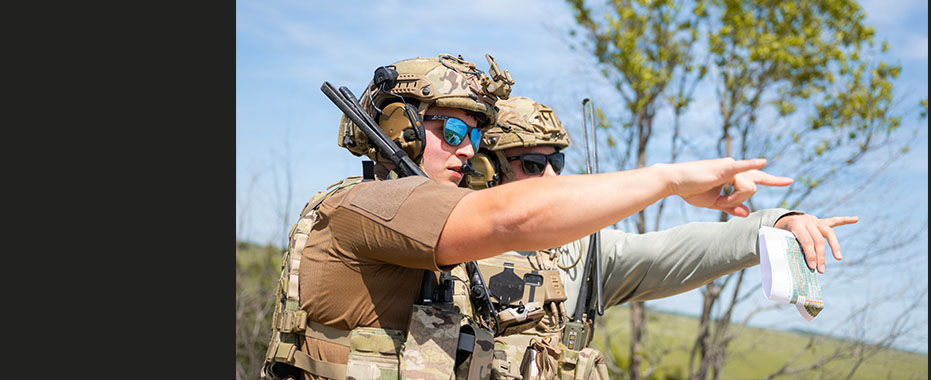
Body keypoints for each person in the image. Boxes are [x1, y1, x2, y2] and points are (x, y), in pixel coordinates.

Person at [260, 53, 847, 380]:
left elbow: (666, 254)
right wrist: (668, 179)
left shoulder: (514, 253)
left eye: (474, 134)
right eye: (453, 130)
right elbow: (507, 219)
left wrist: (770, 221)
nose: (465, 149)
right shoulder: (360, 209)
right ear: (399, 129)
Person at [460, 96, 859, 379]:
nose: (551, 178)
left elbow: (674, 252)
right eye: (533, 163)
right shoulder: (443, 239)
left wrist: (773, 223)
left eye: (556, 162)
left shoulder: (580, 251)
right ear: (485, 169)